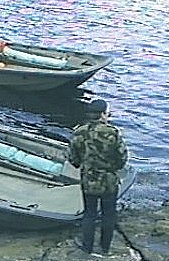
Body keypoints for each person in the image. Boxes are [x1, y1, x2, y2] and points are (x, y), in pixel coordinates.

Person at [69, 99, 128, 256]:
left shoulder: (79, 132)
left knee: (89, 213)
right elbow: (122, 159)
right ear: (103, 114)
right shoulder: (113, 133)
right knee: (109, 214)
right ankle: (105, 248)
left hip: (89, 180)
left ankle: (87, 247)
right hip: (109, 181)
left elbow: (74, 160)